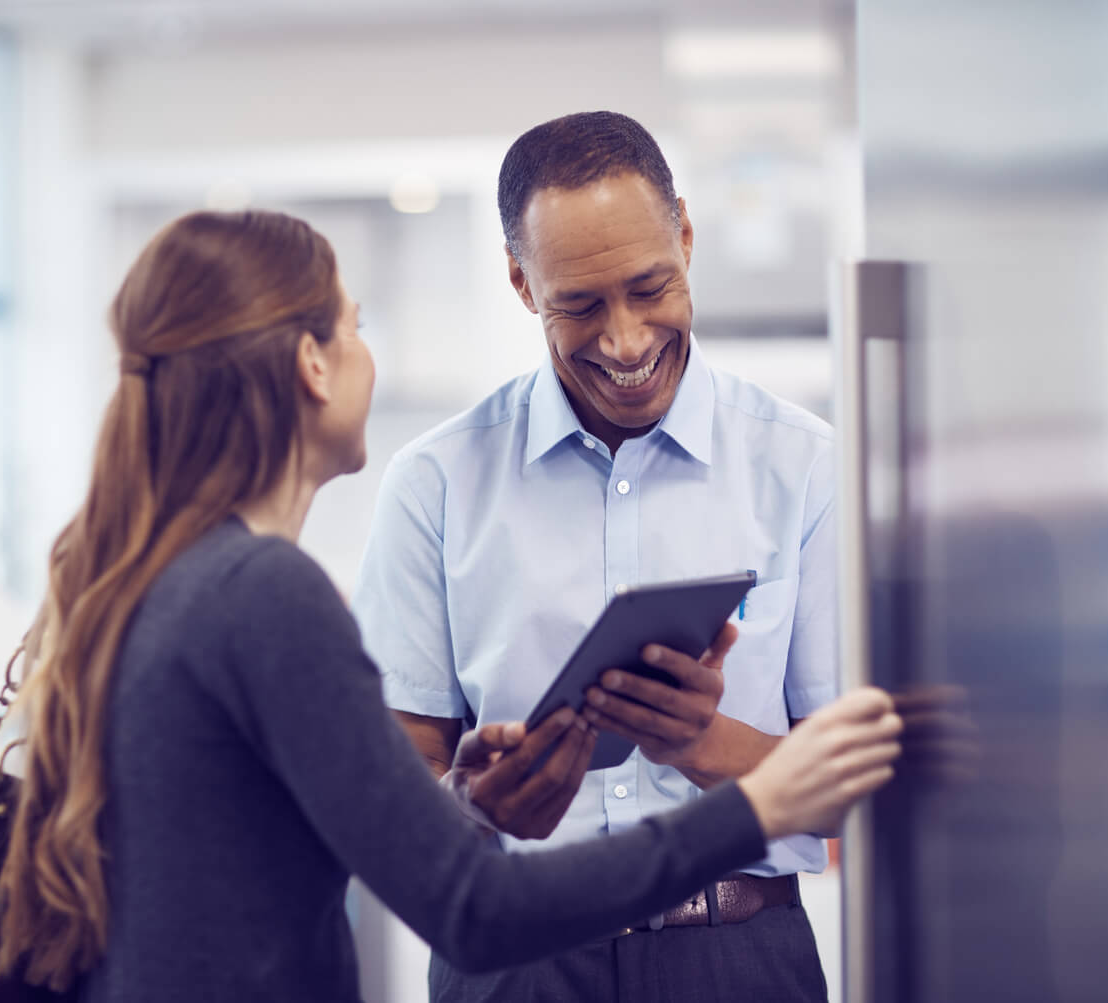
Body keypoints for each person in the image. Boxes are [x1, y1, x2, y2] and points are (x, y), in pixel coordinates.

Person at [0, 209, 900, 1002]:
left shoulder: (178, 580)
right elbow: (474, 909)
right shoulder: (265, 592)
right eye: (354, 326)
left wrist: (463, 802)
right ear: (312, 363)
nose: (365, 355)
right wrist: (757, 804)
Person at [351, 110, 844, 1001]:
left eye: (650, 286)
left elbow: (846, 783)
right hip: (513, 962)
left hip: (738, 957)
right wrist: (467, 803)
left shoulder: (802, 465)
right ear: (521, 283)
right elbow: (392, 781)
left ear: (686, 237)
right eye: (578, 304)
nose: (624, 340)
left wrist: (702, 740)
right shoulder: (435, 482)